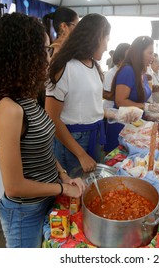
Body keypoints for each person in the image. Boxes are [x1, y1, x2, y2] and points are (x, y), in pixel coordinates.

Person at [0, 13, 85, 248]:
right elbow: (14, 186)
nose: (48, 56)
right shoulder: (9, 109)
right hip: (24, 212)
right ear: (22, 56)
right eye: (44, 50)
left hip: (45, 199)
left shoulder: (27, 98)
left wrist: (62, 174)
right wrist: (63, 188)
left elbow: (40, 150)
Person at [46, 13, 111, 175]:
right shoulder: (64, 66)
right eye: (106, 40)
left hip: (95, 135)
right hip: (74, 141)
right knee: (74, 190)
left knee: (89, 187)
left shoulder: (93, 65)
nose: (107, 47)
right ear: (96, 38)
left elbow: (88, 106)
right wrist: (81, 154)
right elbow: (52, 118)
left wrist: (115, 114)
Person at [105, 36, 159, 152]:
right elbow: (120, 101)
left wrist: (146, 114)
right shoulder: (128, 70)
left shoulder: (141, 72)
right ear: (139, 53)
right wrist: (146, 106)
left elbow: (137, 99)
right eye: (150, 53)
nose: (152, 57)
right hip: (122, 126)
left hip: (135, 124)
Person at [103, 42, 131, 109]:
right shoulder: (110, 74)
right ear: (119, 58)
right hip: (110, 110)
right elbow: (106, 95)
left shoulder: (128, 72)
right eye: (126, 58)